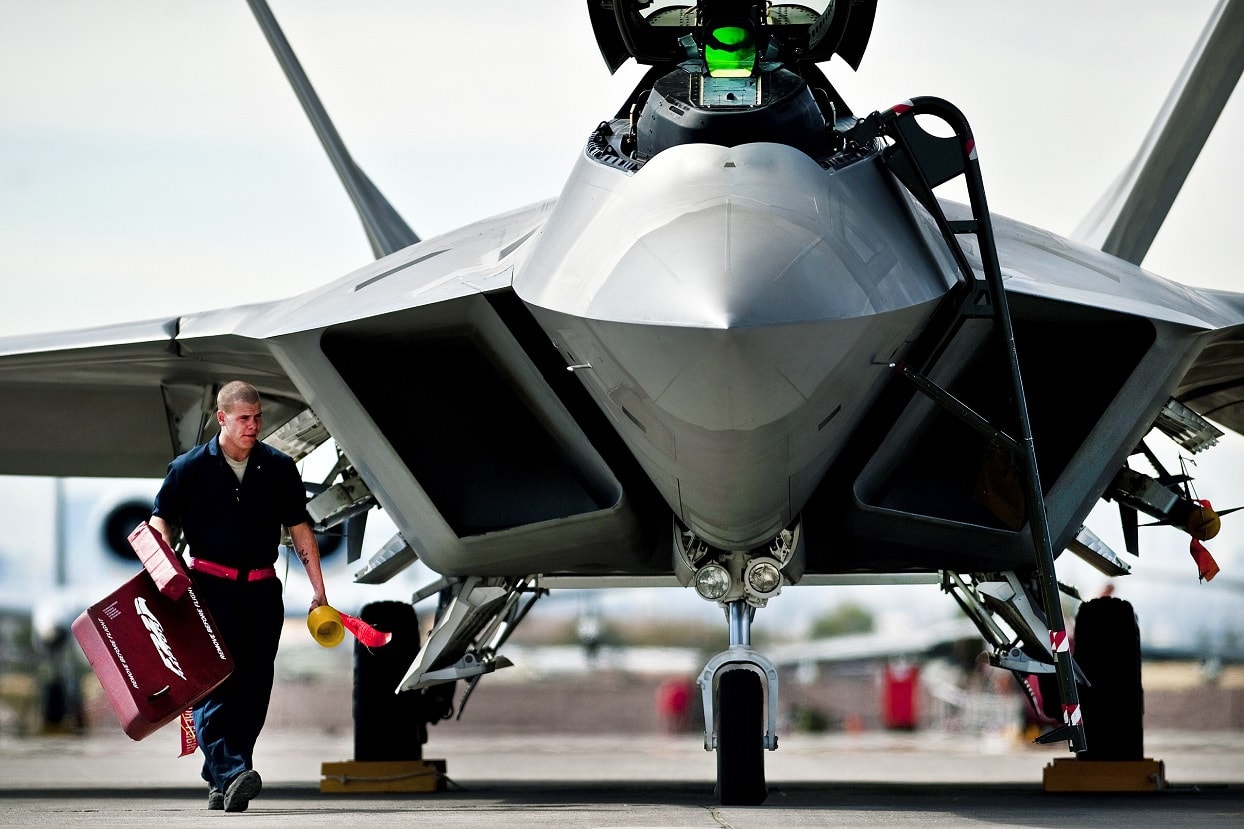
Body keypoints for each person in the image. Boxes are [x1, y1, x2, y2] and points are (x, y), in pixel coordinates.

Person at [149, 380, 327, 812]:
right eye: (245, 418)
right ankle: (232, 773)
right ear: (222, 418)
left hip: (264, 591)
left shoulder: (279, 467)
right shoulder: (188, 468)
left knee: (254, 687)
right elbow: (160, 522)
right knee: (217, 683)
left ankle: (223, 778)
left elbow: (300, 528)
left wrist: (320, 592)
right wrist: (163, 574)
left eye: (258, 417)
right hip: (209, 589)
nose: (254, 426)